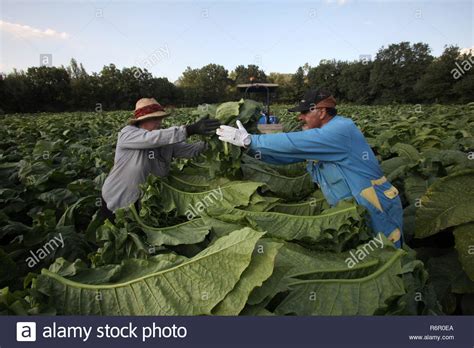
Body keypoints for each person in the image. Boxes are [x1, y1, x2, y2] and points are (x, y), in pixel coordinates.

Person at [216, 89, 404, 248]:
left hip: (375, 205)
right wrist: (248, 147)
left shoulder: (340, 129)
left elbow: (293, 143)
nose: (300, 117)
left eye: (305, 112)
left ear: (321, 112)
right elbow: (286, 156)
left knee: (388, 252)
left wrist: (253, 139)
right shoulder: (321, 135)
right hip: (352, 211)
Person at [101, 97, 220, 220]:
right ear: (142, 120)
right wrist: (190, 129)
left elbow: (191, 150)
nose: (159, 123)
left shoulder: (163, 141)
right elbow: (151, 139)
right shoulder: (128, 134)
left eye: (160, 119)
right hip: (117, 197)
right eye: (155, 119)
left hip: (142, 201)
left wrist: (217, 139)